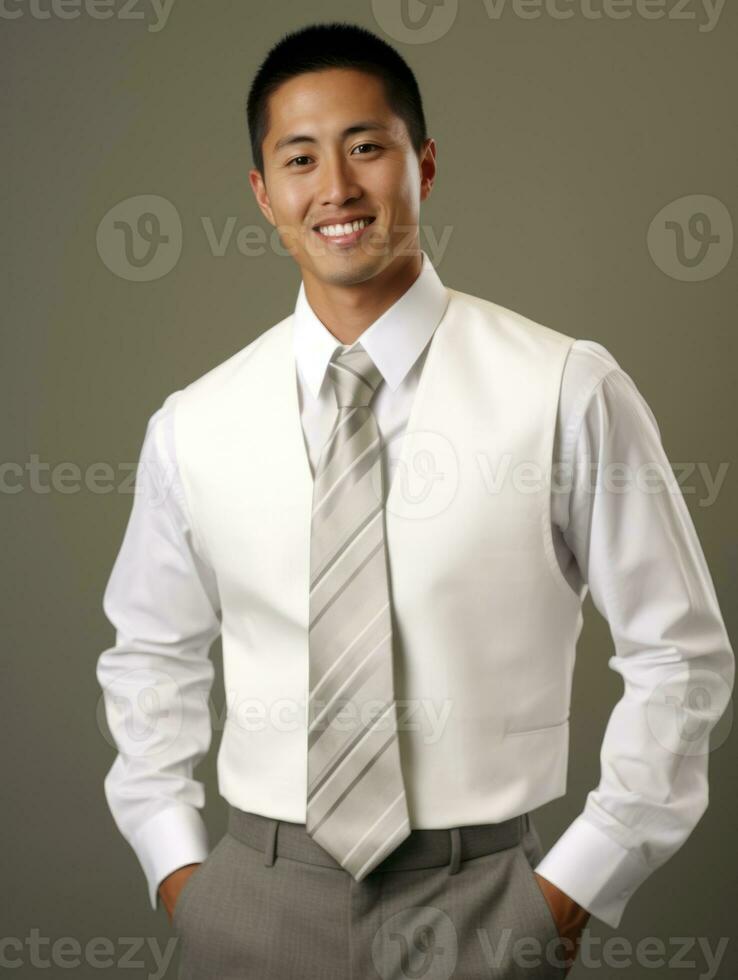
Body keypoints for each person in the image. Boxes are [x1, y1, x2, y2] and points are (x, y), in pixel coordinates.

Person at [96, 20, 734, 980]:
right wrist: (181, 871)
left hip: (482, 901)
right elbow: (150, 655)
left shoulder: (564, 388)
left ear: (422, 165)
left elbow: (681, 657)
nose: (338, 188)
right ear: (263, 194)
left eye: (367, 147)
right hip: (252, 903)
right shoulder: (195, 423)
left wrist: (568, 892)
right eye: (300, 157)